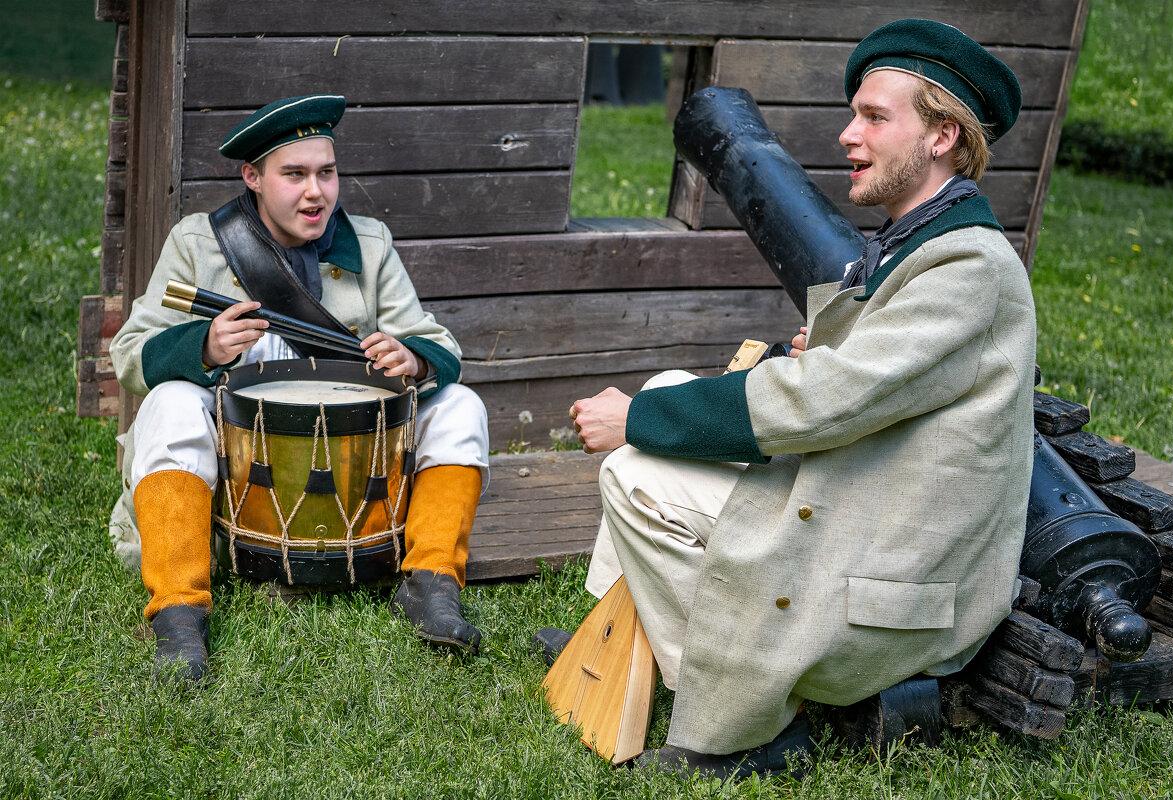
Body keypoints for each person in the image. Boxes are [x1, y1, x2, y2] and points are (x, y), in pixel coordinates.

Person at [560, 19, 1036, 779]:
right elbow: (869, 374)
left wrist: (637, 424)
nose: (849, 135)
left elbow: (827, 401)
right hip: (871, 496)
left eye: (875, 117)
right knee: (666, 390)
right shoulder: (923, 241)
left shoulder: (969, 267)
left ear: (943, 135)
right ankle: (628, 618)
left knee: (631, 468)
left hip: (899, 573)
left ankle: (747, 726)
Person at [109, 95, 490, 682]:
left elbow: (437, 344)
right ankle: (179, 611)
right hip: (232, 465)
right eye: (294, 174)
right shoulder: (197, 243)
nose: (316, 192)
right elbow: (131, 352)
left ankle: (431, 582)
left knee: (461, 405)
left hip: (350, 462)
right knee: (167, 401)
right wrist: (204, 347)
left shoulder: (369, 244)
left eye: (326, 173)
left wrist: (412, 356)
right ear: (253, 177)